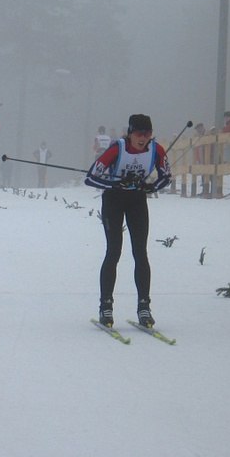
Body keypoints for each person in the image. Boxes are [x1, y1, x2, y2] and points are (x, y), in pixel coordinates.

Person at [84, 114, 172, 328]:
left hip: (137, 202)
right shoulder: (118, 148)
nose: (143, 138)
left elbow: (166, 177)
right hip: (113, 201)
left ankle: (144, 307)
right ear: (130, 133)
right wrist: (115, 183)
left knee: (140, 253)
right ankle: (106, 306)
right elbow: (91, 177)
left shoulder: (156, 150)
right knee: (114, 251)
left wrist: (150, 187)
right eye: (139, 133)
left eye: (147, 134)